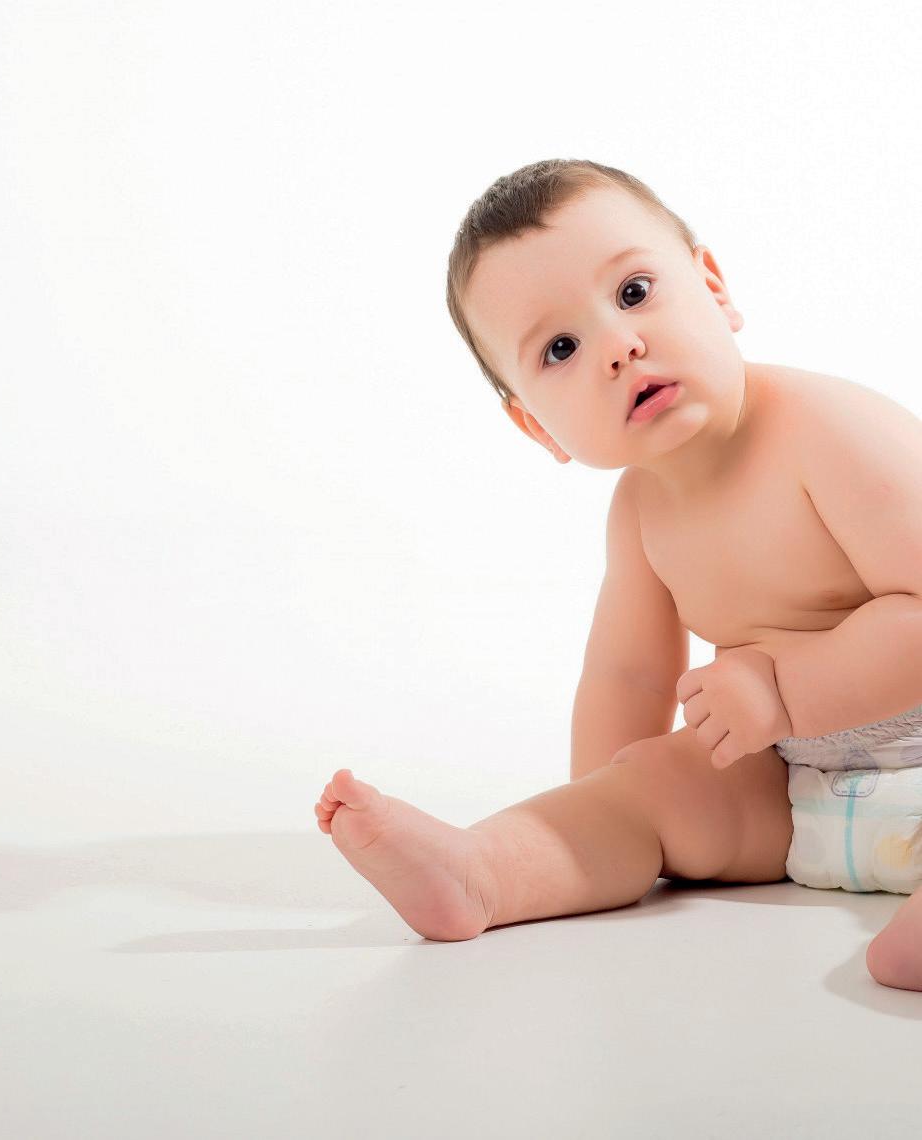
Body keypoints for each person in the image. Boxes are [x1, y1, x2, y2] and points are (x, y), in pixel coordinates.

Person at [312, 158, 922, 992]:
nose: (617, 347)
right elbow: (626, 677)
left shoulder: (829, 429)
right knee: (651, 788)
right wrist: (599, 813)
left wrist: (781, 687)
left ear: (714, 288)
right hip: (790, 793)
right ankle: (486, 872)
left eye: (633, 293)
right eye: (560, 348)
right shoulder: (639, 512)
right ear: (538, 427)